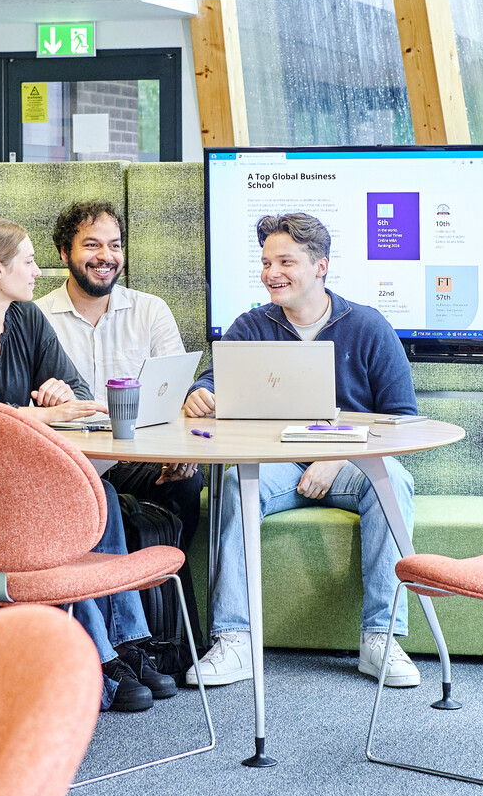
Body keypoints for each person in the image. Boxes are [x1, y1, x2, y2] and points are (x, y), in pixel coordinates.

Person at [0, 216, 175, 711]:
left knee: (104, 495)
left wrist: (62, 391)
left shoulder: (27, 320)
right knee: (74, 507)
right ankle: (98, 657)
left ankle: (127, 645)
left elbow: (83, 397)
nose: (36, 272)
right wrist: (41, 412)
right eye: (28, 262)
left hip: (24, 480)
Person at [180, 212, 423, 689]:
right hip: (276, 466)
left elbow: (403, 421)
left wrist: (337, 456)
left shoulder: (369, 326)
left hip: (349, 466)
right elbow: (214, 378)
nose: (272, 273)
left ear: (321, 265)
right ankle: (234, 641)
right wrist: (200, 392)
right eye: (266, 262)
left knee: (393, 480)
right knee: (231, 483)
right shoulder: (251, 325)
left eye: (285, 261)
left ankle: (380, 638)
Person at [37, 200, 206, 549]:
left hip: (141, 457)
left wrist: (183, 451)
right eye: (92, 244)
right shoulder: (36, 317)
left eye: (115, 245)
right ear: (64, 252)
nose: (106, 255)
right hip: (70, 462)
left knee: (188, 480)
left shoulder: (150, 311)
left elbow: (178, 397)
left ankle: (163, 583)